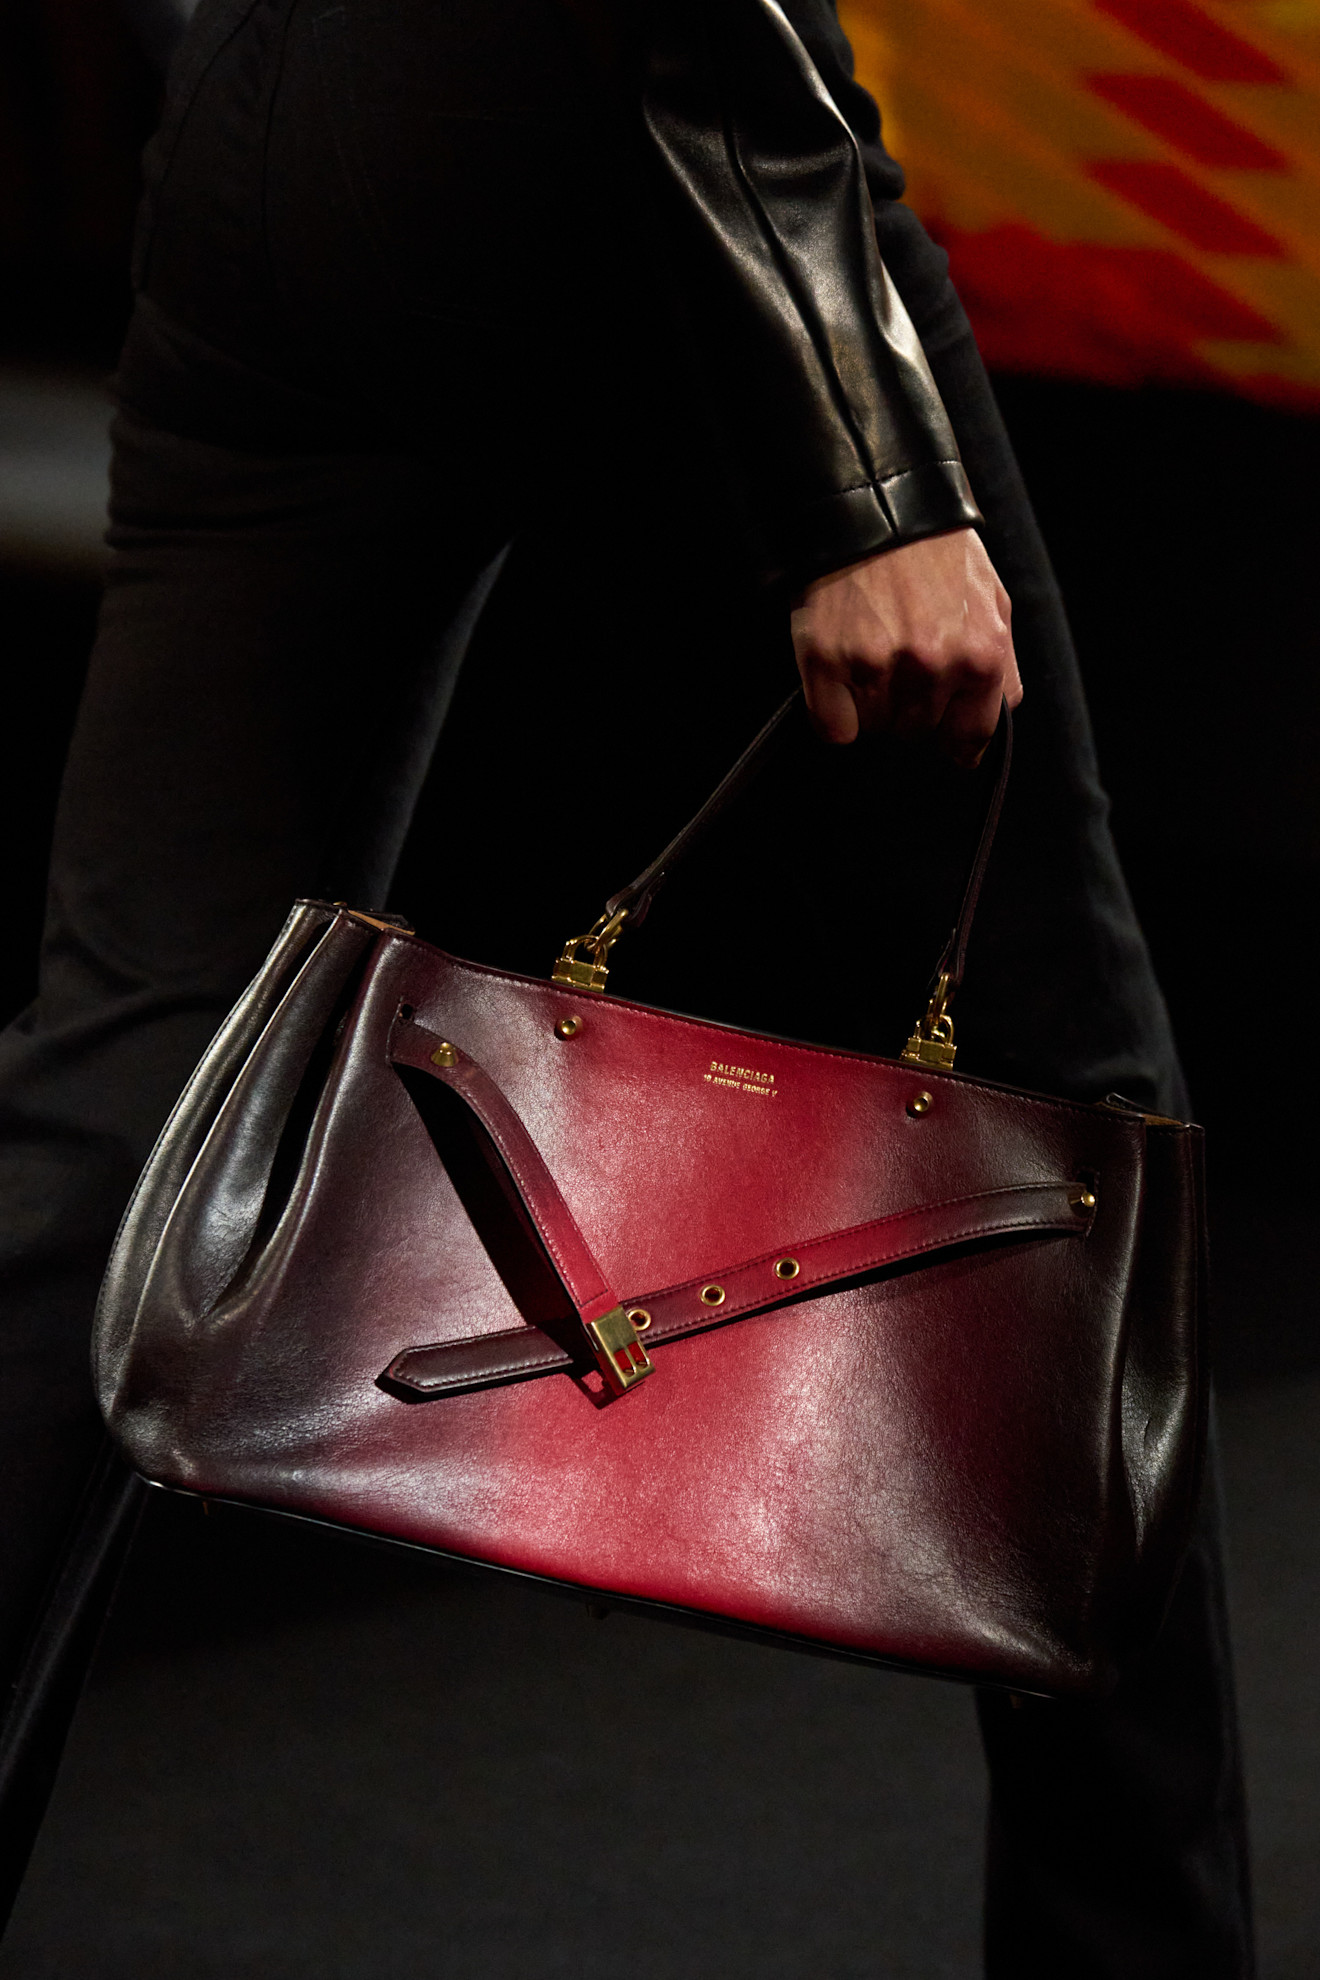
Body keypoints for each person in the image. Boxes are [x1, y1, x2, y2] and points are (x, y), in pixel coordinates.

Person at [0, 0, 1253, 1969]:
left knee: (127, 1090)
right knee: (1062, 1116)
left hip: (276, 101)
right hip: (643, 128)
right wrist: (871, 477)